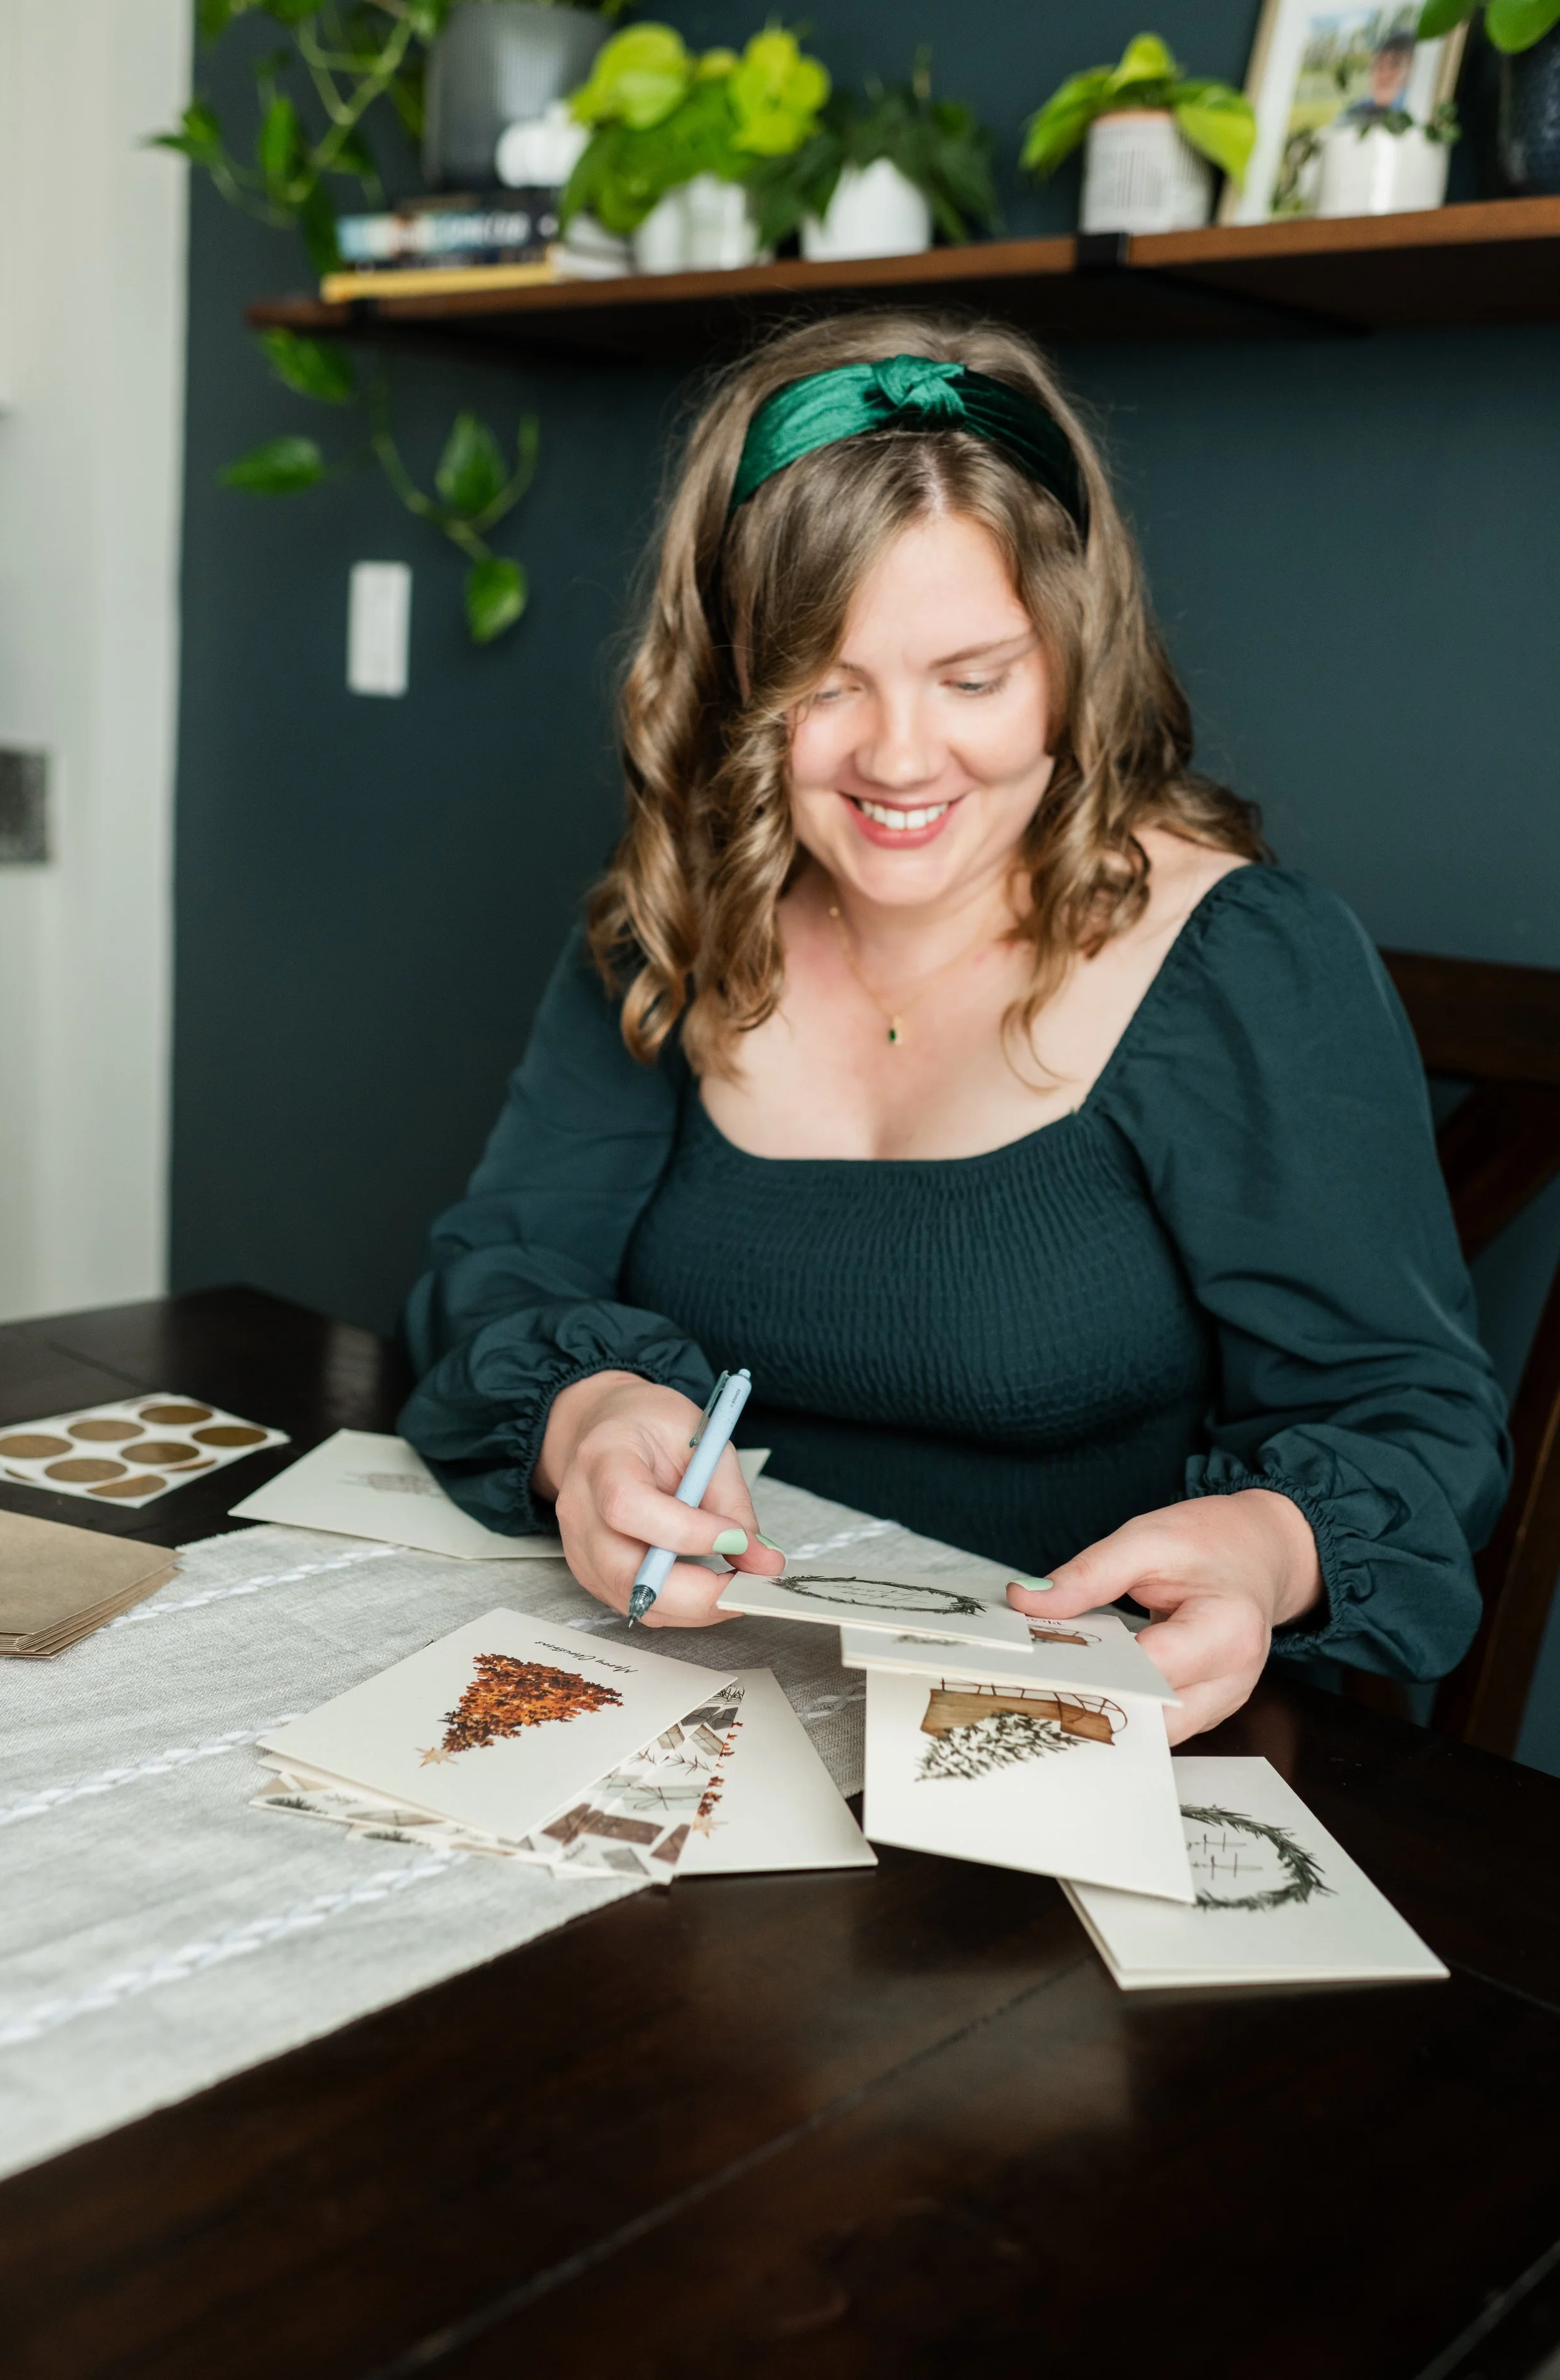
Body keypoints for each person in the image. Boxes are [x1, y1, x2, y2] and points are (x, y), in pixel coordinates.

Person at [400, 312, 1508, 1744]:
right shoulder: (671, 923)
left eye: (972, 678)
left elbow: (1407, 1412)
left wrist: (1265, 1544)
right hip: (698, 1705)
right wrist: (591, 1416)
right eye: (824, 685)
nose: (900, 759)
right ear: (738, 677)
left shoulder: (1239, 958)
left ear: (1070, 659)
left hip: (1077, 1737)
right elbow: (494, 1270)